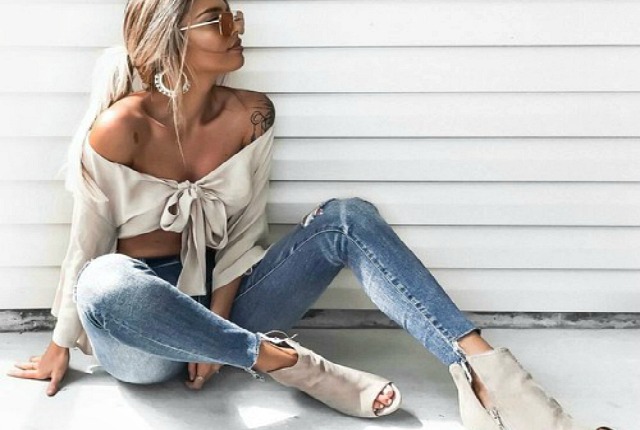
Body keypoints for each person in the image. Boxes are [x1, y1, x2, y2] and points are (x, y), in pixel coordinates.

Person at [7, 0, 613, 427]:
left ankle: (489, 376)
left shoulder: (252, 114)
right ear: (169, 39)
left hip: (226, 305)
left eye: (233, 14)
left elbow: (242, 237)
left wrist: (216, 334)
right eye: (215, 19)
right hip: (143, 336)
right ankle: (286, 363)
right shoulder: (122, 127)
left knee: (347, 216)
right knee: (103, 279)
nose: (235, 28)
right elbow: (86, 245)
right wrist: (61, 345)